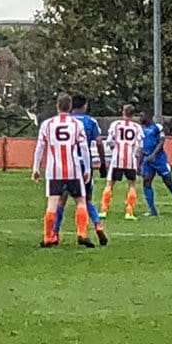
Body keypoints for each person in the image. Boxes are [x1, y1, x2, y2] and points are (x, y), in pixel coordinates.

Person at [32, 94, 94, 248]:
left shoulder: (48, 124)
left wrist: (36, 168)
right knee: (80, 201)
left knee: (52, 203)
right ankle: (82, 233)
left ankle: (48, 237)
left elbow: (40, 147)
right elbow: (84, 147)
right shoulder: (76, 124)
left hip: (54, 170)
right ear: (70, 106)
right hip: (73, 169)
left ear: (57, 106)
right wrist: (87, 168)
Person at [52, 94, 107, 245]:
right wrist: (102, 163)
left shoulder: (65, 122)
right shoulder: (90, 121)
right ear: (84, 106)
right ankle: (97, 225)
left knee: (61, 201)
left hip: (66, 163)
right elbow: (99, 142)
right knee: (86, 199)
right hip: (84, 164)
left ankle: (55, 233)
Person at [137, 112, 172, 217]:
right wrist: (139, 164)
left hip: (159, 159)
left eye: (141, 116)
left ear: (148, 117)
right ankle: (152, 210)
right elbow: (141, 147)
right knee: (146, 181)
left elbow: (161, 142)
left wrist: (153, 154)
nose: (139, 119)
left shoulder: (157, 127)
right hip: (147, 160)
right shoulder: (141, 130)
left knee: (168, 182)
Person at [101, 104, 142, 220]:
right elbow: (139, 145)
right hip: (130, 159)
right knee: (132, 184)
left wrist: (115, 149)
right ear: (133, 114)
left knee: (110, 184)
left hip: (117, 159)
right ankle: (129, 212)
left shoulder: (116, 125)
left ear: (123, 112)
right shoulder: (137, 127)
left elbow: (109, 141)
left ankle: (104, 210)